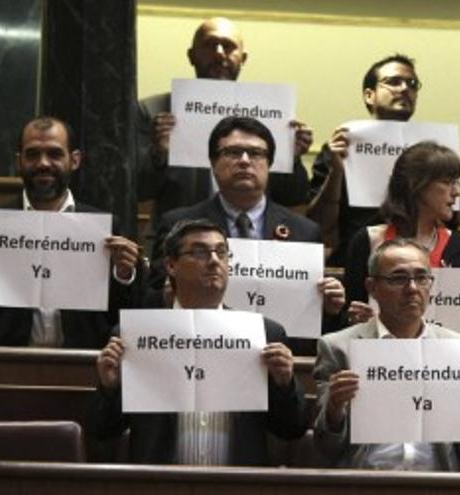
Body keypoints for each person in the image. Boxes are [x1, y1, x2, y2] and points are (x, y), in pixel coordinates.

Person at [88, 219, 308, 465]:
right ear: (171, 265)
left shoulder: (265, 333)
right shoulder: (136, 335)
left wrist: (284, 384)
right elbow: (103, 430)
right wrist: (109, 388)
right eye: (200, 252)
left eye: (221, 252)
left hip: (239, 484)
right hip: (159, 484)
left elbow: (292, 428)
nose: (214, 260)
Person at [312, 239, 460, 470]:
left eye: (422, 278)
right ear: (372, 287)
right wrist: (334, 409)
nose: (412, 288)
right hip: (366, 482)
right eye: (398, 278)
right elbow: (325, 447)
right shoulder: (338, 348)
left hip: (440, 483)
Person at [150, 116, 345, 348]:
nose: (244, 161)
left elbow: (314, 324)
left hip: (279, 355)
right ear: (213, 163)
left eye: (255, 154)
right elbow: (149, 301)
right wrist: (168, 294)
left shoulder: (304, 231)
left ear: (269, 164)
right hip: (199, 345)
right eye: (233, 152)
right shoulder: (178, 224)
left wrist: (331, 309)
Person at [138, 17, 313, 228]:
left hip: (254, 239)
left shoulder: (270, 113)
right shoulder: (153, 111)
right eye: (210, 45)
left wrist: (291, 158)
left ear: (243, 58)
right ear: (191, 56)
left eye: (228, 46)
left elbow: (293, 197)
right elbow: (138, 191)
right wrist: (159, 155)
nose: (220, 53)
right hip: (180, 240)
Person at [0, 116, 140, 348]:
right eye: (33, 154)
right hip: (7, 362)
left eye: (54, 154)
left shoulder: (102, 227)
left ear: (74, 160)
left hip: (82, 365)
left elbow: (121, 316)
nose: (43, 163)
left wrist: (123, 275)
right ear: (19, 161)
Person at [343, 141, 460, 327]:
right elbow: (345, 315)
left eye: (457, 183)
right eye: (447, 182)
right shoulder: (367, 241)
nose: (457, 192)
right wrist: (355, 318)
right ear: (416, 184)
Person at [308, 54, 421, 266]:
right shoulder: (341, 146)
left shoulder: (429, 153)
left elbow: (447, 222)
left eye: (412, 84)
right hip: (355, 259)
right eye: (394, 82)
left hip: (418, 259)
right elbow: (317, 223)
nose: (405, 88)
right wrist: (336, 172)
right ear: (369, 95)